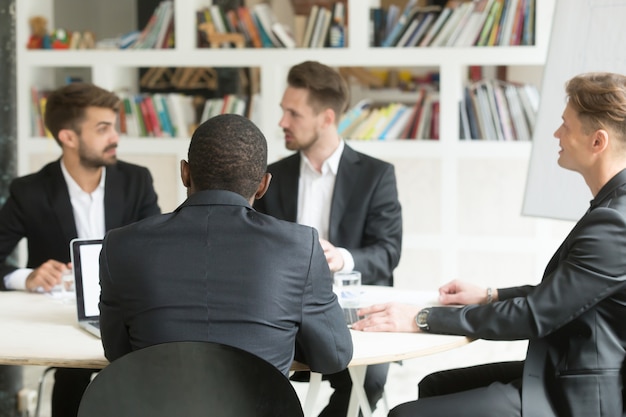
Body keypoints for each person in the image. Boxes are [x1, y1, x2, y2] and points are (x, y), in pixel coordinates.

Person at [352, 72, 626, 417]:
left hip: (578, 397)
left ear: (597, 142)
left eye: (565, 126)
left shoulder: (614, 222)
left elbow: (535, 315)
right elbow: (562, 294)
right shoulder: (612, 208)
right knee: (434, 385)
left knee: (403, 415)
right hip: (563, 372)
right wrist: (490, 295)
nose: (557, 135)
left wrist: (422, 318)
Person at [98, 113, 353, 378]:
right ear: (263, 185)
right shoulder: (300, 247)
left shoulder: (121, 245)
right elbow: (334, 356)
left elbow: (118, 354)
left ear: (185, 173)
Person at [0, 82, 161, 417]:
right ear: (68, 137)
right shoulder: (29, 191)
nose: (115, 137)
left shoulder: (136, 181)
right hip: (60, 325)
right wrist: (26, 277)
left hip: (127, 317)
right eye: (103, 129)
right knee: (72, 386)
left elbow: (157, 252)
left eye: (114, 127)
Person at [254, 60, 402, 416]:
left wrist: (342, 258)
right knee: (249, 369)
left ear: (327, 118)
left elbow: (388, 252)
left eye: (294, 113)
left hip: (350, 311)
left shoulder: (376, 175)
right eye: (282, 111)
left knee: (367, 381)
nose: (282, 123)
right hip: (281, 311)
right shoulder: (271, 176)